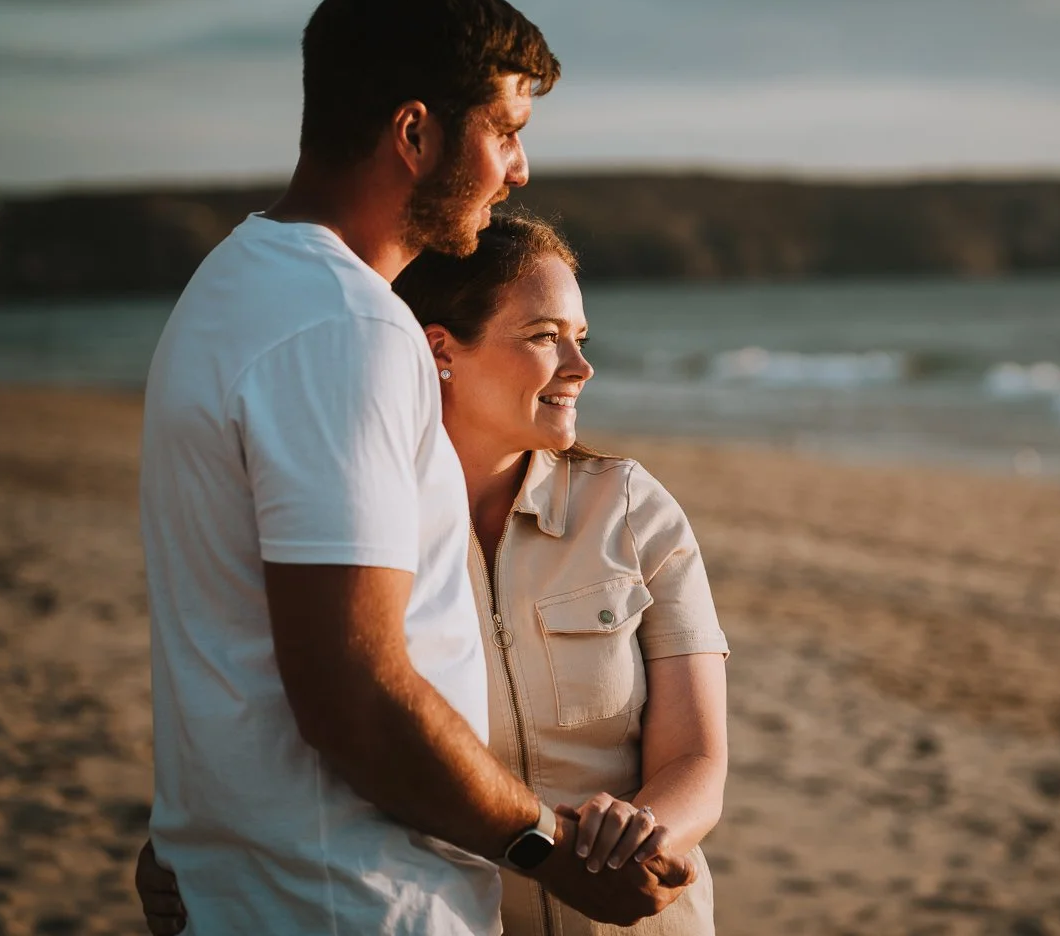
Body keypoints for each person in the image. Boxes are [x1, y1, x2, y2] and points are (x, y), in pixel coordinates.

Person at [138, 0, 693, 935]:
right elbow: (354, 689)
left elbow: (235, 636)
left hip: (260, 883)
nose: (520, 171)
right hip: (347, 901)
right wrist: (546, 849)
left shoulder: (227, 288)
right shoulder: (345, 324)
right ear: (415, 131)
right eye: (507, 132)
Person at [140, 213, 729, 935]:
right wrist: (208, 847)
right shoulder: (357, 528)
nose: (581, 367)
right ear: (440, 349)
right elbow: (292, 714)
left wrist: (641, 838)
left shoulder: (633, 509)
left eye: (581, 338)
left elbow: (699, 757)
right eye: (545, 337)